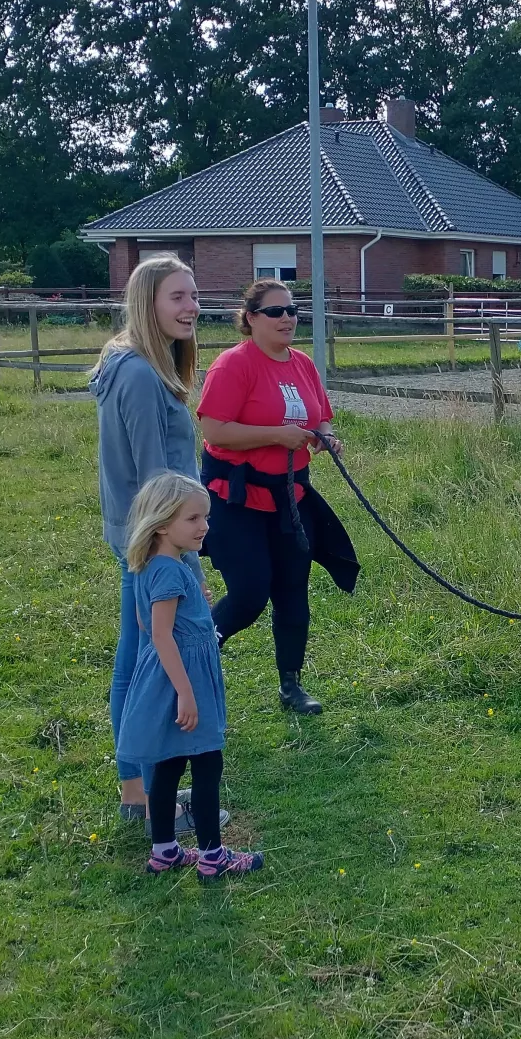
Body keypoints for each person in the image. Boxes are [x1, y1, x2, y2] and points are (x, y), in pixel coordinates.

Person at [91, 254, 220, 833]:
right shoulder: (141, 374)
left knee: (135, 654)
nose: (192, 307)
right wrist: (186, 560)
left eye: (194, 295)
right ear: (147, 303)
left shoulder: (134, 363)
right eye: (178, 297)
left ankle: (137, 787)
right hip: (152, 540)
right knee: (143, 662)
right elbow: (152, 479)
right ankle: (145, 795)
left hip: (141, 534)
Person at [196, 279, 358, 714]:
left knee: (292, 591)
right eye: (275, 311)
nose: (287, 318)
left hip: (290, 497)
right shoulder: (233, 365)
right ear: (251, 318)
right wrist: (277, 436)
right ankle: (189, 661)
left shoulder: (302, 364)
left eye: (291, 311)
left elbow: (321, 416)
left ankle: (291, 685)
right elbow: (214, 430)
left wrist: (325, 437)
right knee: (249, 593)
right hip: (236, 499)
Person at [117, 473, 263, 879]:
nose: (205, 526)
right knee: (207, 764)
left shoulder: (152, 566)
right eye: (194, 518)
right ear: (162, 523)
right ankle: (213, 857)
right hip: (184, 680)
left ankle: (164, 850)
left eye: (206, 517)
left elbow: (146, 624)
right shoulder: (169, 572)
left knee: (169, 763)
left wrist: (193, 604)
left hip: (166, 677)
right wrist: (185, 691)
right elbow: (161, 633)